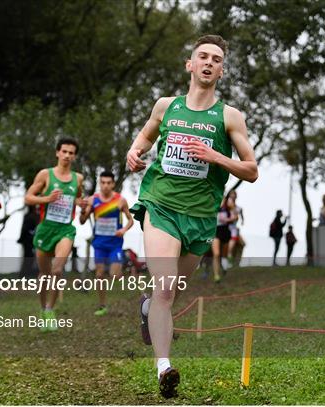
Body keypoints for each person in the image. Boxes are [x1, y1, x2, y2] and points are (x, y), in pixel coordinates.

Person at [126, 35, 258, 398]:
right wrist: (134, 153)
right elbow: (143, 139)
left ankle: (148, 308)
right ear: (190, 64)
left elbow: (251, 169)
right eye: (203, 56)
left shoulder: (229, 116)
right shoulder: (165, 106)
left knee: (169, 293)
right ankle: (164, 367)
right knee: (167, 285)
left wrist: (215, 156)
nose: (209, 62)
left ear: (221, 71)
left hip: (200, 217)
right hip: (161, 205)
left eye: (216, 59)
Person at [24, 138, 86, 332]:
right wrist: (46, 199)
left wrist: (81, 205)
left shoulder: (78, 178)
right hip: (46, 229)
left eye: (71, 153)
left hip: (65, 229)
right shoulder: (46, 175)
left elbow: (78, 197)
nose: (67, 155)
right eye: (64, 151)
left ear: (74, 156)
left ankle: (51, 309)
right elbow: (28, 197)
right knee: (44, 274)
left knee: (57, 269)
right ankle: (43, 309)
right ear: (57, 153)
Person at [79, 170, 134, 316]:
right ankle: (102, 305)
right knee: (99, 275)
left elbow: (130, 220)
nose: (105, 186)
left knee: (115, 275)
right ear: (99, 183)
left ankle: (127, 272)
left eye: (109, 183)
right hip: (99, 244)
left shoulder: (120, 200)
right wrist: (83, 211)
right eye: (103, 183)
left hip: (115, 243)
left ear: (113, 184)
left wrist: (123, 230)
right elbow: (82, 221)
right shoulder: (92, 200)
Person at [212, 196, 238, 283]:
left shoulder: (228, 204)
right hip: (215, 231)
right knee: (216, 254)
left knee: (224, 254)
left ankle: (224, 266)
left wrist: (228, 218)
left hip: (226, 232)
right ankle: (216, 275)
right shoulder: (214, 201)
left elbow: (236, 217)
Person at [18, 205, 40, 278]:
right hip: (28, 241)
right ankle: (25, 275)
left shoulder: (36, 216)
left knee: (33, 257)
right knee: (29, 257)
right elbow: (24, 229)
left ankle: (28, 274)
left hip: (33, 240)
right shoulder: (31, 216)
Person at [226, 190, 245, 267]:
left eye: (234, 195)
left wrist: (242, 221)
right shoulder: (225, 206)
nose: (233, 196)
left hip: (234, 229)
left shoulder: (239, 208)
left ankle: (236, 263)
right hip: (225, 229)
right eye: (231, 195)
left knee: (242, 244)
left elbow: (241, 217)